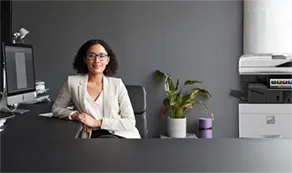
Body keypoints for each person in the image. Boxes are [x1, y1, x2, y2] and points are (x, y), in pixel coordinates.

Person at [51, 39, 141, 139]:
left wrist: (97, 123)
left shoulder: (117, 84)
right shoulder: (72, 82)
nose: (97, 60)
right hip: (89, 136)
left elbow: (130, 122)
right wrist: (76, 115)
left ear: (107, 60)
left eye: (102, 56)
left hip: (119, 135)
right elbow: (56, 109)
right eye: (91, 55)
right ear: (85, 59)